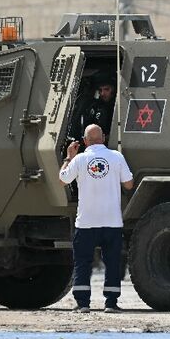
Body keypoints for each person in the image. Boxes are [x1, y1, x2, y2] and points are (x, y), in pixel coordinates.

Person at [59, 124, 134, 313]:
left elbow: (62, 180)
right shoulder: (116, 157)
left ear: (84, 142)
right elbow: (129, 184)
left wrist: (69, 157)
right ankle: (111, 303)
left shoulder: (80, 160)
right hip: (112, 221)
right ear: (104, 138)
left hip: (86, 223)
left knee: (83, 262)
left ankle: (83, 304)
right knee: (112, 262)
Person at [68, 74, 115, 144]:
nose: (102, 93)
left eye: (106, 89)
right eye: (100, 90)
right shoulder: (94, 106)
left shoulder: (117, 107)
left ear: (113, 90)